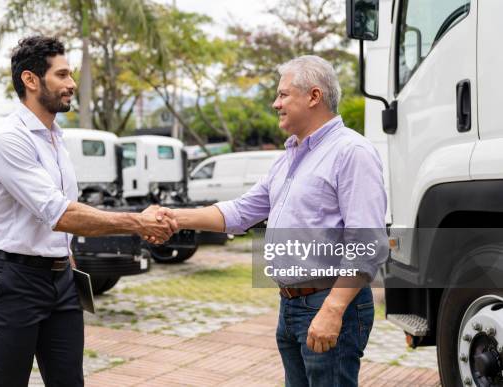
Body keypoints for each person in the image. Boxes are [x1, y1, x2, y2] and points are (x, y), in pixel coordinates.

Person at [155, 56, 387, 386]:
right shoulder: (288, 159)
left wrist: (333, 310)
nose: (275, 103)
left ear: (314, 96)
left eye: (283, 94)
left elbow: (368, 242)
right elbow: (239, 212)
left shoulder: (351, 152)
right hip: (291, 305)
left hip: (328, 302)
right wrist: (174, 217)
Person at [0, 35, 177, 387]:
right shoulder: (9, 139)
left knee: (70, 380)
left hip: (60, 280)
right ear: (30, 79)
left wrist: (65, 255)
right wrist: (137, 222)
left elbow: (60, 212)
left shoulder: (56, 137)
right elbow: (60, 213)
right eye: (62, 75)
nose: (71, 85)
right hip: (13, 281)